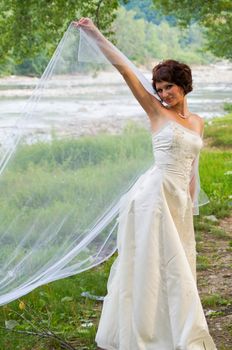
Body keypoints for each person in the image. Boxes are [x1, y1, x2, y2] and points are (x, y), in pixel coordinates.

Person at [75, 18, 216, 350]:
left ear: (184, 85)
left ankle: (176, 329)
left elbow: (193, 168)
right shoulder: (155, 112)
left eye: (168, 86)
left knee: (179, 264)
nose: (163, 93)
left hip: (178, 201)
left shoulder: (197, 123)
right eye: (159, 88)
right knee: (151, 267)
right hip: (152, 198)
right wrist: (95, 34)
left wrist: (189, 205)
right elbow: (126, 70)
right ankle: (146, 333)